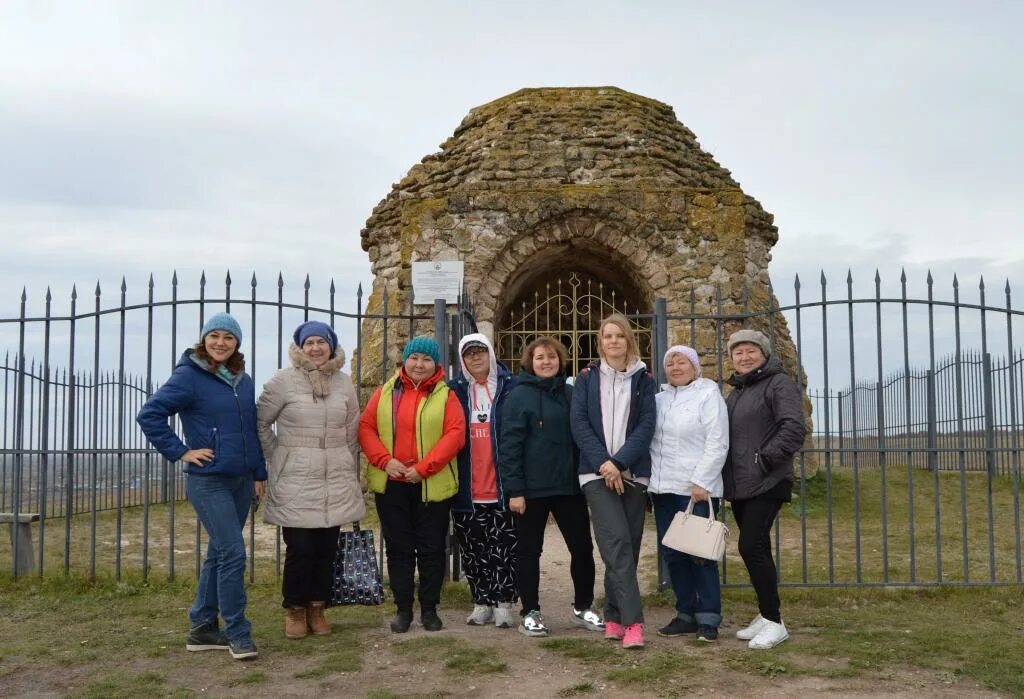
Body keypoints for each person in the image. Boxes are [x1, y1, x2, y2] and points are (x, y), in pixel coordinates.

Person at [137, 312, 267, 661]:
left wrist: (258, 474)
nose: (220, 343)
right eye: (214, 336)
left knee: (219, 554)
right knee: (234, 553)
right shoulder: (189, 376)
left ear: (237, 343)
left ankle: (202, 627)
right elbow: (149, 414)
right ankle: (238, 633)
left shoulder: (243, 379)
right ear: (204, 340)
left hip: (240, 480)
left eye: (228, 337)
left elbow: (250, 429)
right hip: (208, 481)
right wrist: (181, 451)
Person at [256, 320, 365, 639]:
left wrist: (343, 455)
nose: (316, 348)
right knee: (300, 547)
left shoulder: (344, 383)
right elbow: (262, 423)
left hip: (334, 473)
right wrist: (279, 455)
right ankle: (295, 608)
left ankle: (318, 607)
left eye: (321, 342)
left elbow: (352, 425)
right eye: (309, 343)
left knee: (326, 548)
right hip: (296, 474)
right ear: (300, 348)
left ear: (331, 346)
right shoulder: (283, 381)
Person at [358, 336, 465, 633]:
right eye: (414, 358)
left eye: (426, 359)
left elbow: (455, 435)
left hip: (431, 483)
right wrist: (383, 460)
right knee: (399, 548)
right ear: (405, 360)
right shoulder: (385, 392)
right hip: (392, 483)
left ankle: (429, 609)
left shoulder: (447, 395)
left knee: (431, 549)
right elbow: (366, 427)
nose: (419, 364)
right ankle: (403, 609)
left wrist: (423, 468)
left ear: (436, 365)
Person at [498, 336, 604, 638]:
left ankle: (583, 607)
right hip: (530, 490)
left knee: (582, 548)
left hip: (569, 487)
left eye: (552, 357)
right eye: (540, 357)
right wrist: (515, 490)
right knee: (529, 552)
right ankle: (530, 611)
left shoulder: (571, 393)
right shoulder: (519, 396)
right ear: (530, 362)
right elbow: (510, 445)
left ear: (561, 360)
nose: (547, 362)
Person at [570, 314, 656, 649]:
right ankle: (635, 623)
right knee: (616, 541)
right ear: (600, 341)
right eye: (607, 336)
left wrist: (620, 463)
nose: (614, 341)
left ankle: (614, 615)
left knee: (628, 546)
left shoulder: (644, 379)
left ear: (629, 340)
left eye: (619, 335)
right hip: (595, 473)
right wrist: (606, 465)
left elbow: (646, 427)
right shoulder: (587, 378)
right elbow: (579, 424)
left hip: (633, 473)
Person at [724, 329, 806, 650]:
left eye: (750, 351)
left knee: (750, 546)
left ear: (764, 354)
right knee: (758, 548)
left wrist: (765, 457)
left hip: (768, 480)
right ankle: (766, 614)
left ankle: (774, 621)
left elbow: (793, 426)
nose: (744, 357)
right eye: (738, 352)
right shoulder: (738, 392)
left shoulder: (777, 384)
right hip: (744, 485)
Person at [648, 345, 729, 642]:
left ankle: (708, 617)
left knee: (700, 554)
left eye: (682, 361)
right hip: (663, 488)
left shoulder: (708, 396)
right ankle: (685, 614)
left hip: (695, 490)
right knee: (673, 554)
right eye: (670, 362)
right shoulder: (658, 399)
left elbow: (717, 441)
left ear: (695, 367)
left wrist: (702, 481)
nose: (675, 366)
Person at [450, 333, 519, 629]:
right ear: (462, 360)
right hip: (468, 485)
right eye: (469, 354)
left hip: (501, 484)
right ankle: (481, 601)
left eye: (480, 351)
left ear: (490, 353)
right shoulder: (454, 391)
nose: (475, 358)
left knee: (504, 546)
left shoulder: (510, 387)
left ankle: (504, 602)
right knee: (473, 547)